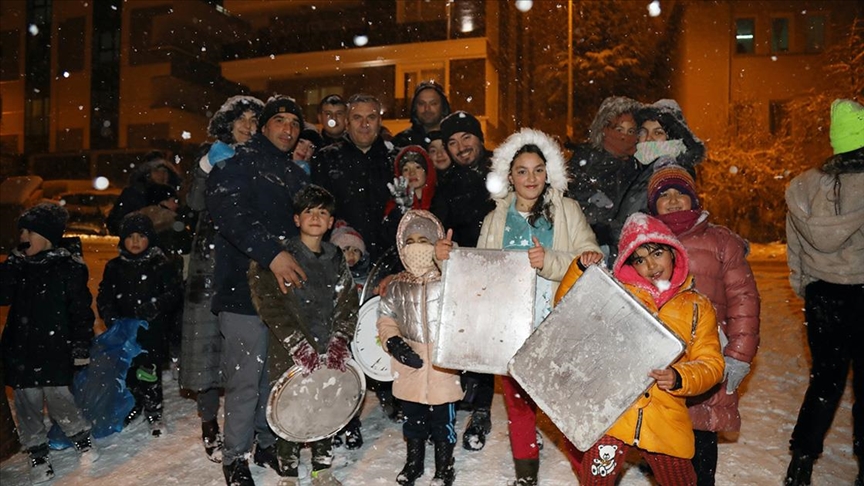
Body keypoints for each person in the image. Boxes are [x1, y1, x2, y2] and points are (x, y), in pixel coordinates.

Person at [435, 128, 602, 483]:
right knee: (519, 407)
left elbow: (592, 257)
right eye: (522, 170)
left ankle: (590, 477)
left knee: (565, 408)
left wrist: (552, 261)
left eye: (538, 169)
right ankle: (526, 476)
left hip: (557, 325)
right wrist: (447, 260)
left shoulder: (566, 210)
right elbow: (479, 273)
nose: (531, 178)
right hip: (509, 328)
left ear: (549, 172)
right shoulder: (496, 217)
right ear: (509, 175)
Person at [555, 212, 725, 485]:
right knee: (594, 481)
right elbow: (570, 315)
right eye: (640, 259)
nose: (651, 265)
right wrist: (580, 272)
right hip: (613, 413)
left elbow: (712, 364)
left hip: (666, 418)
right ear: (631, 264)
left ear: (673, 253)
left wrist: (680, 376)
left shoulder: (697, 307)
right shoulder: (618, 294)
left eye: (657, 253)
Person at [206, 94, 310, 485]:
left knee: (276, 376)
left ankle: (266, 441)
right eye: (280, 120)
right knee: (245, 378)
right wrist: (272, 254)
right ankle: (235, 454)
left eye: (294, 123)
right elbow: (231, 216)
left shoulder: (297, 175)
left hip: (284, 296)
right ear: (264, 126)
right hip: (242, 292)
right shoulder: (236, 165)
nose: (288, 129)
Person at [646, 160, 761, 485]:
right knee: (664, 441)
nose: (671, 200)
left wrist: (738, 354)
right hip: (659, 359)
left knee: (701, 438)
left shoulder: (721, 242)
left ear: (693, 198)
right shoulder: (646, 244)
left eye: (679, 192)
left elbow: (744, 300)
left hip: (709, 354)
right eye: (663, 194)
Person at [248, 185, 358, 486]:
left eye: (323, 212)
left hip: (327, 348)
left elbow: (347, 302)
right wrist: (296, 343)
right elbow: (268, 301)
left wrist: (340, 339)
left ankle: (322, 469)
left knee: (326, 406)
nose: (316, 217)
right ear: (296, 219)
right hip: (288, 351)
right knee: (291, 410)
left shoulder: (336, 257)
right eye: (309, 211)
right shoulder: (281, 256)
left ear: (331, 222)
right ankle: (288, 473)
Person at [784, 98, 864, 486]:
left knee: (825, 381)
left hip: (824, 296)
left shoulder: (806, 187)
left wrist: (804, 285)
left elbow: (795, 246)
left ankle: (801, 461)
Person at [182, 94, 264, 463]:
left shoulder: (262, 159)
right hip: (207, 262)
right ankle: (208, 419)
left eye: (254, 120)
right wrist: (205, 165)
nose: (247, 127)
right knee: (205, 343)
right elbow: (195, 203)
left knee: (244, 346)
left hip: (245, 260)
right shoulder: (210, 155)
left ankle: (247, 423)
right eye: (241, 120)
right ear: (227, 123)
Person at [0, 203, 97, 483]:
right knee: (27, 402)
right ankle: (37, 449)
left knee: (59, 398)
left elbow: (81, 310)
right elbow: (3, 296)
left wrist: (81, 343)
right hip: (21, 348)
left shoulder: (68, 267)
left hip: (56, 347)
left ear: (48, 237)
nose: (22, 236)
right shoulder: (18, 266)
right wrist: (10, 267)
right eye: (21, 231)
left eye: (30, 231)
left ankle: (79, 434)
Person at [377, 209, 463, 486]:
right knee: (412, 419)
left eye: (424, 240)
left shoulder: (448, 280)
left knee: (442, 421)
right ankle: (413, 463)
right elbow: (386, 316)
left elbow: (466, 288)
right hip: (409, 361)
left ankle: (443, 466)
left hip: (441, 363)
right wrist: (393, 342)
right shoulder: (397, 285)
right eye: (410, 240)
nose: (416, 247)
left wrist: (447, 256)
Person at [429, 110, 496, 451]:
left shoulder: (502, 170)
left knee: (490, 341)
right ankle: (457, 401)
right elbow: (438, 225)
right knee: (464, 338)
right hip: (464, 269)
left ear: (479, 139)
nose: (461, 147)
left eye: (466, 138)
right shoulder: (448, 181)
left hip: (501, 267)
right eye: (452, 142)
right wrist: (440, 248)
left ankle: (483, 407)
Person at [97, 213, 183, 437]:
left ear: (150, 239)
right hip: (124, 331)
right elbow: (105, 295)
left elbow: (174, 293)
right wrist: (109, 314)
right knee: (128, 372)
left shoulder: (160, 264)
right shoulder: (114, 267)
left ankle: (154, 410)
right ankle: (133, 404)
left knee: (149, 372)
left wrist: (155, 305)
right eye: (130, 236)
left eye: (141, 236)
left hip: (150, 332)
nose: (135, 241)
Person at [312, 93, 395, 263]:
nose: (364, 124)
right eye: (357, 117)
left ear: (379, 122)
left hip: (389, 262)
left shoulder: (395, 160)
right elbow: (318, 212)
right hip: (341, 260)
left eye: (370, 117)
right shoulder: (326, 159)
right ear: (347, 123)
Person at [565, 96, 642, 263]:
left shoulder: (638, 167)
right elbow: (571, 201)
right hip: (587, 251)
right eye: (619, 129)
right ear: (604, 128)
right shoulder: (585, 160)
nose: (624, 137)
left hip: (629, 253)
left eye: (631, 131)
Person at [107, 150, 181, 235]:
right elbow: (115, 223)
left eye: (164, 171)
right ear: (147, 174)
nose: (161, 175)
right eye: (156, 171)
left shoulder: (173, 195)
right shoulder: (134, 193)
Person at [382, 145, 438, 244]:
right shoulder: (394, 205)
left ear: (427, 172)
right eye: (406, 169)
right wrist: (401, 210)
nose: (412, 173)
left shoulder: (441, 200)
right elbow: (387, 238)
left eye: (417, 167)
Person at [393, 81, 452, 148]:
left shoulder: (454, 139)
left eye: (433, 103)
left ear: (443, 107)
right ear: (415, 107)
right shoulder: (402, 142)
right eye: (421, 104)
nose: (427, 109)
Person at [330, 221, 370, 296]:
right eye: (345, 250)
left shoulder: (367, 276)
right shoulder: (331, 275)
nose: (351, 254)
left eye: (355, 250)